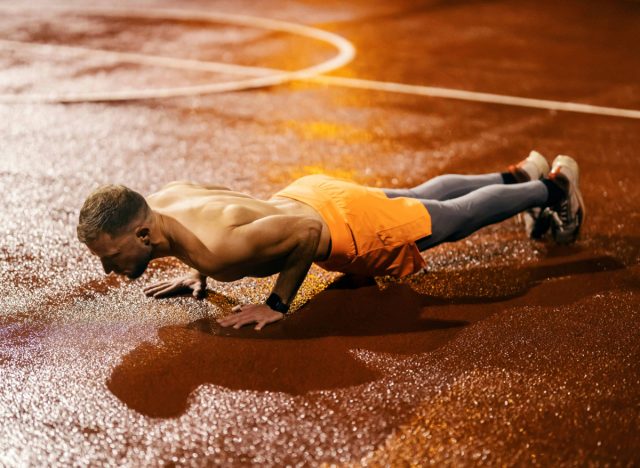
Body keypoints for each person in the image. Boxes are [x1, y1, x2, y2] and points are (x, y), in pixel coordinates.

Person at [76, 151, 584, 330]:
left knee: (449, 220)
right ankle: (519, 174)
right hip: (309, 192)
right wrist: (196, 270)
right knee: (415, 195)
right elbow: (218, 213)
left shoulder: (221, 251)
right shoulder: (167, 199)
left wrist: (278, 303)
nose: (107, 268)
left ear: (141, 232)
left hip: (341, 230)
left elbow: (307, 235)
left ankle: (553, 187)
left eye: (111, 255)